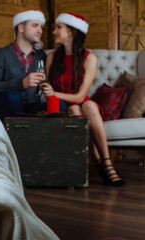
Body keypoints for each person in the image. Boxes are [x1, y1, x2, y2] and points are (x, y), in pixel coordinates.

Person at [41, 13, 125, 186]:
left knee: (90, 106)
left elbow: (80, 96)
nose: (54, 32)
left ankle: (106, 163)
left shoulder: (90, 58)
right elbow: (48, 92)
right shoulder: (51, 58)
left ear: (71, 32)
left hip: (80, 101)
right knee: (74, 110)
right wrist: (46, 89)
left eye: (59, 27)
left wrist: (53, 93)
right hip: (62, 106)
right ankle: (99, 165)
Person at [0, 9, 48, 121]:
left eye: (41, 27)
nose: (40, 31)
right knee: (12, 97)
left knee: (59, 104)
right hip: (5, 106)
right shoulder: (2, 55)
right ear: (21, 28)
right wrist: (21, 84)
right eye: (35, 26)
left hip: (31, 106)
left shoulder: (41, 56)